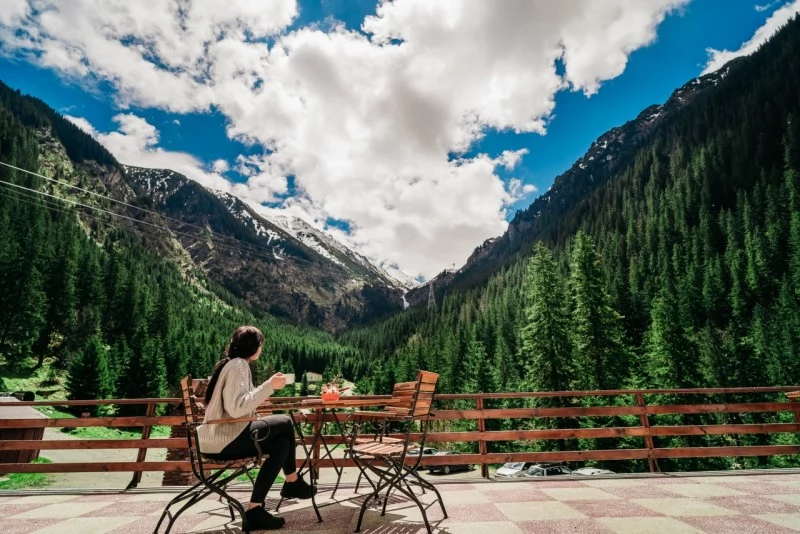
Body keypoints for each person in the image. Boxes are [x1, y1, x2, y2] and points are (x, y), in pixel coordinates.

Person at [197, 325, 315, 531]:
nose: (261, 349)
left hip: (219, 438)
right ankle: (292, 481)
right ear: (254, 347)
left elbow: (237, 408)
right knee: (286, 422)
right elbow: (236, 408)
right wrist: (270, 385)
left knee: (281, 442)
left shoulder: (232, 364)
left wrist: (256, 416)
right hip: (225, 439)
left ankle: (255, 509)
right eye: (261, 344)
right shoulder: (238, 366)